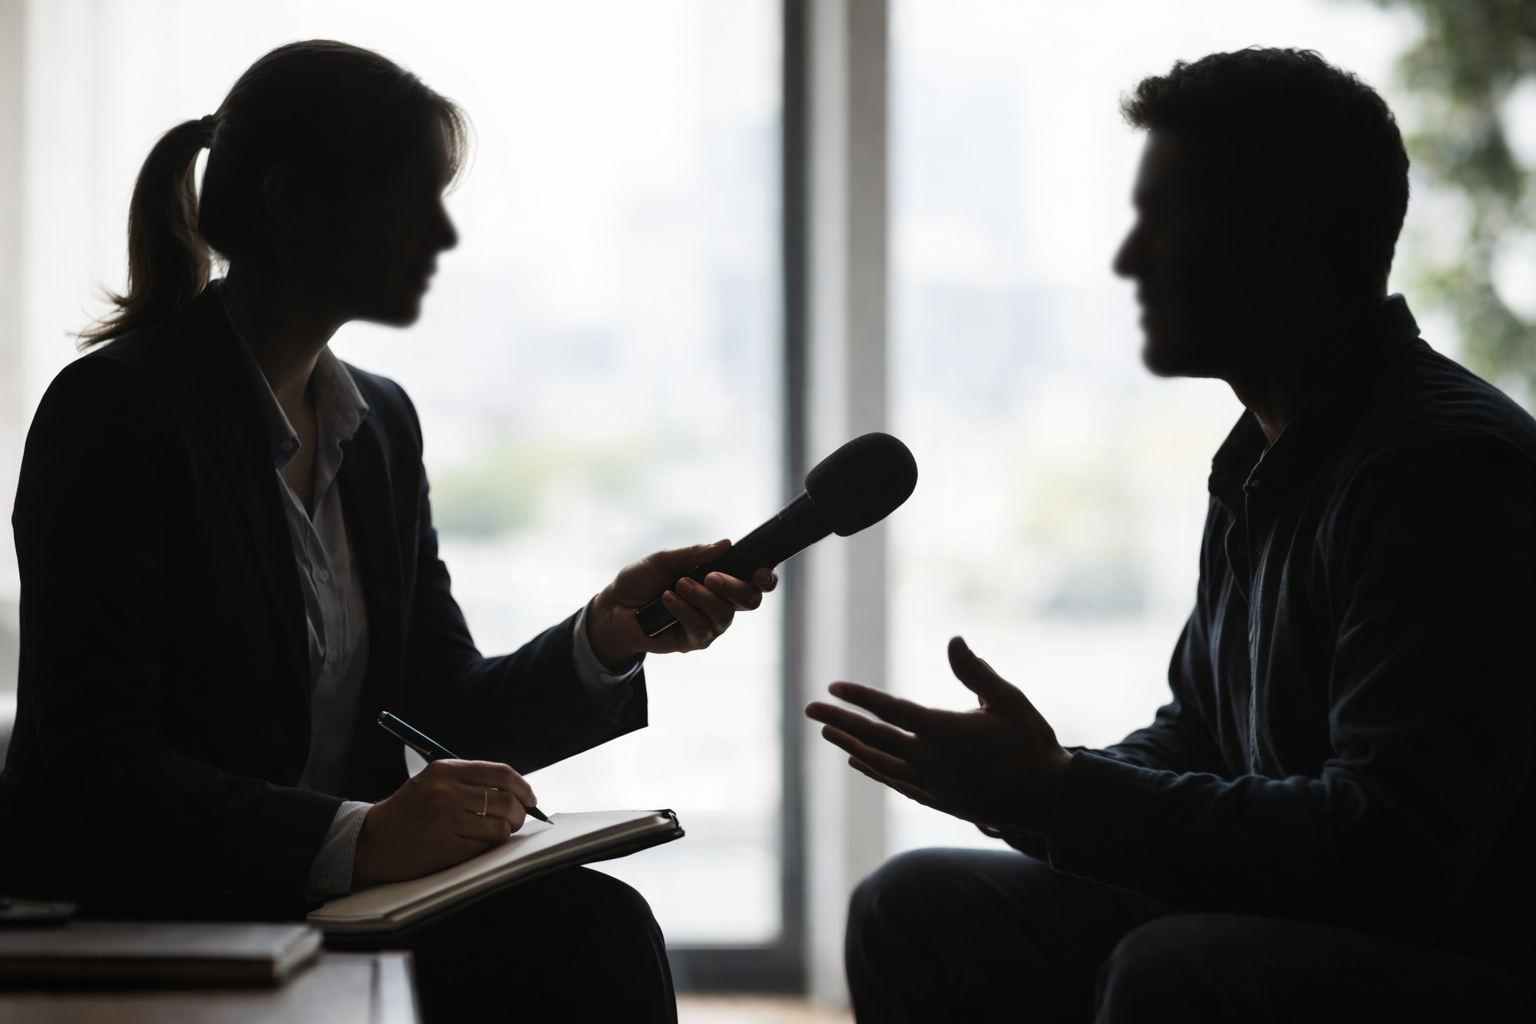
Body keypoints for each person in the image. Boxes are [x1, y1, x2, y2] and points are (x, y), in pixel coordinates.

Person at [0, 40, 775, 1023]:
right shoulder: (115, 413)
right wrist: (357, 836)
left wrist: (607, 635)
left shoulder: (379, 426)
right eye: (415, 197)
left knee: (599, 926)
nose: (443, 236)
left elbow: (437, 704)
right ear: (292, 202)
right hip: (155, 907)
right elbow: (95, 768)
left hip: (329, 898)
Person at [806, 48, 1536, 1023]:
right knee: (914, 907)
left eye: (1162, 217)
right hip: (1316, 919)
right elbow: (1202, 733)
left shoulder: (1441, 468)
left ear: (1278, 235)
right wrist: (1025, 788)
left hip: (1460, 960)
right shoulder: (1258, 462)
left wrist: (1062, 796)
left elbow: (1390, 852)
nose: (1129, 259)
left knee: (1174, 969)